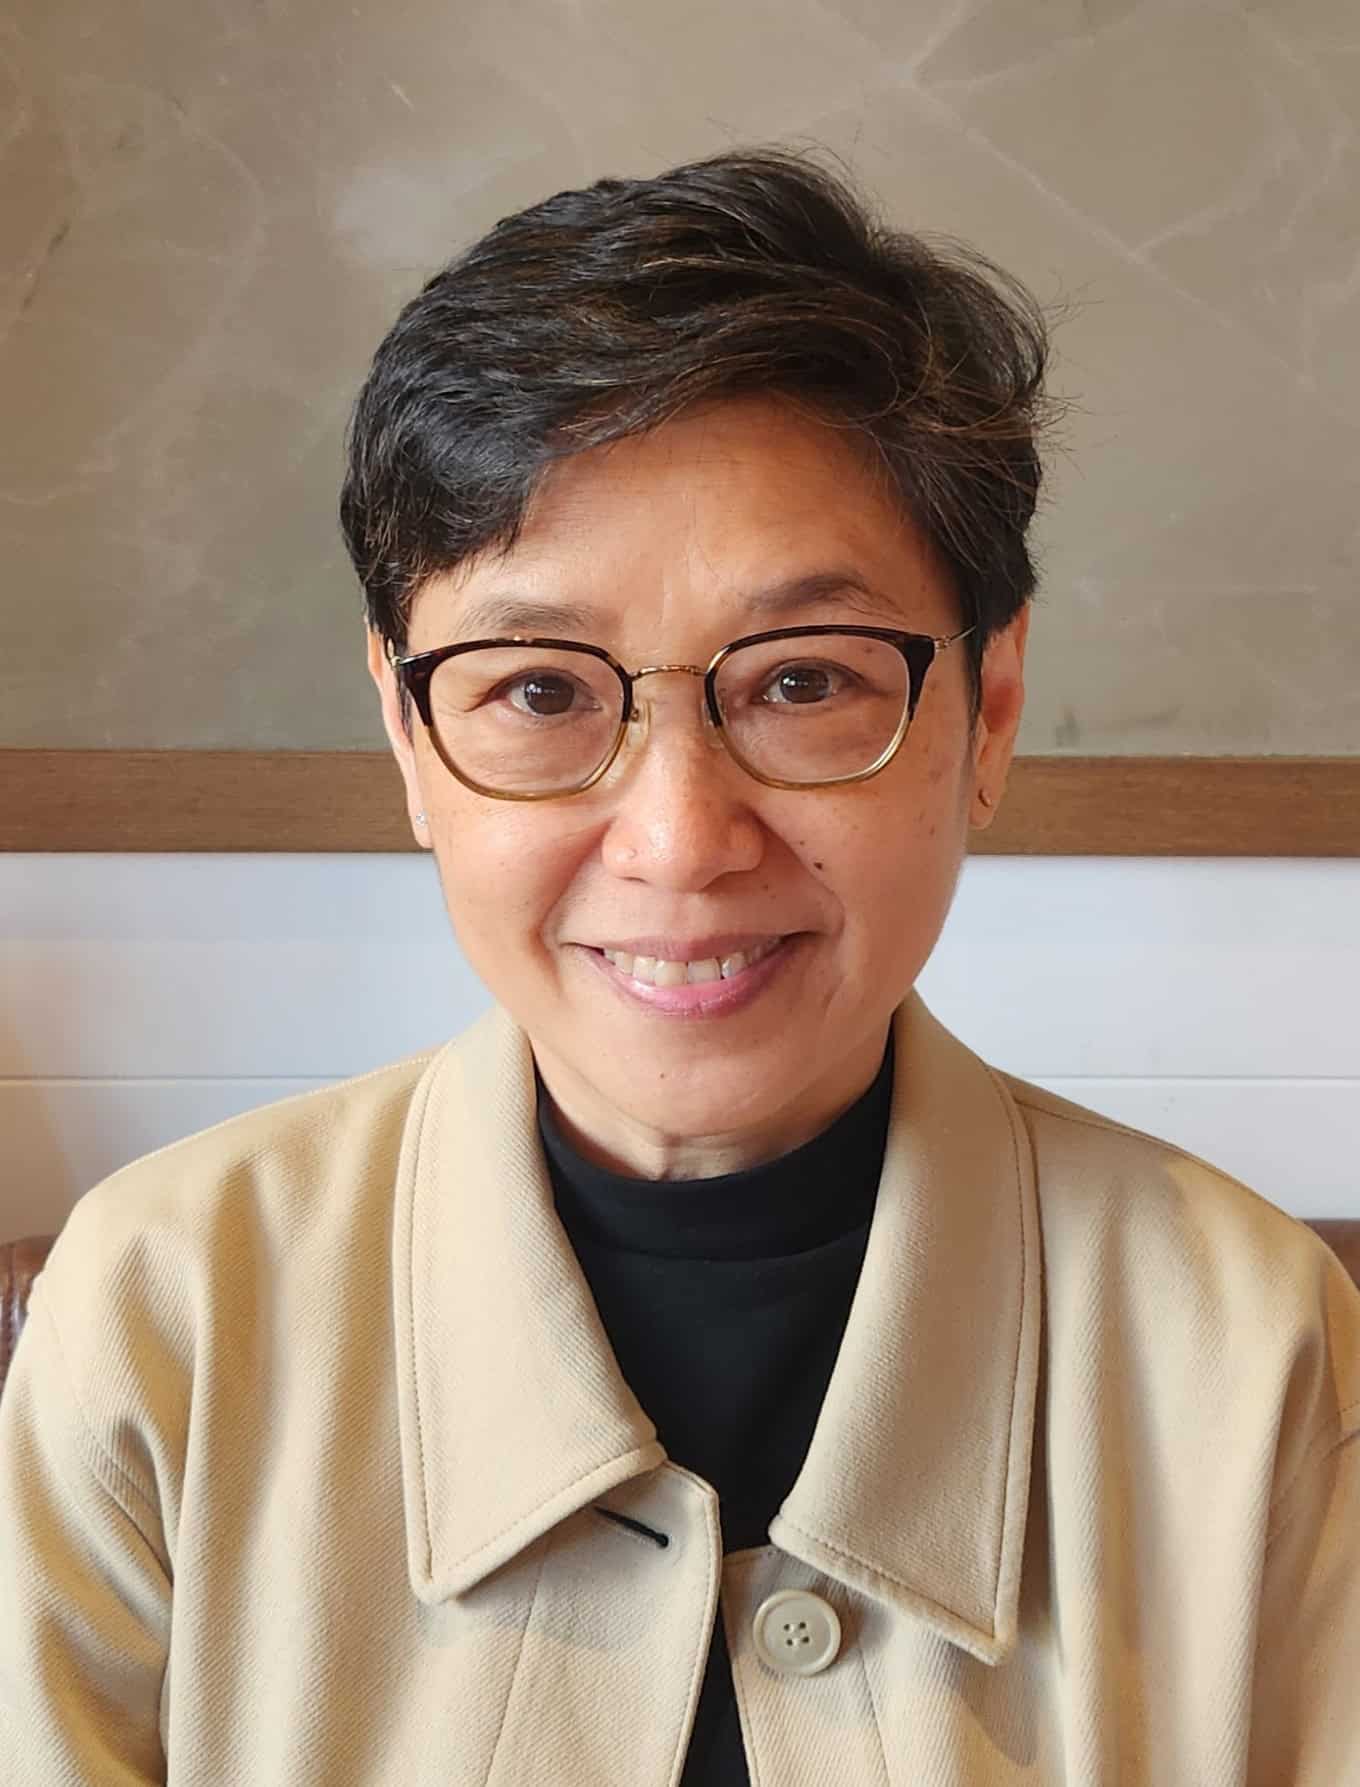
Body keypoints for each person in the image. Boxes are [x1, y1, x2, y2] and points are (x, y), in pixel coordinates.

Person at [2, 146, 1357, 1787]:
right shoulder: (165, 1318)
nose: (680, 840)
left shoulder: (1254, 1354)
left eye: (803, 682)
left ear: (989, 713)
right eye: (540, 691)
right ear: (409, 737)